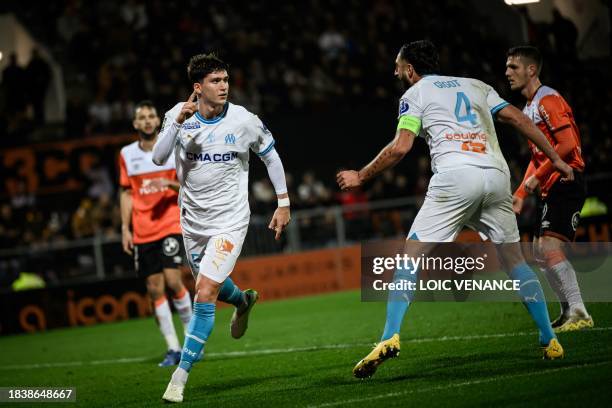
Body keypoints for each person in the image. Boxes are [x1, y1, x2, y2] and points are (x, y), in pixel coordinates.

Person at [336, 40, 574, 379]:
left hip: (454, 178)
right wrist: (554, 159)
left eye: (398, 66)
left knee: (409, 257)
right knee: (514, 261)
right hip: (495, 176)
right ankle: (549, 339)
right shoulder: (477, 85)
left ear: (410, 70)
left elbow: (401, 147)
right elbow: (519, 120)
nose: (395, 72)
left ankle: (389, 336)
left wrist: (361, 175)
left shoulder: (414, 95)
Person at [153, 53, 291, 403]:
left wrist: (284, 202)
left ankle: (179, 378)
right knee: (207, 283)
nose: (224, 86)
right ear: (198, 88)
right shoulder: (178, 116)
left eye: (226, 79)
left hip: (230, 220)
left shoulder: (244, 120)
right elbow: (158, 157)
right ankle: (243, 301)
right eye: (216, 81)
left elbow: (270, 155)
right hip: (193, 223)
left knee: (204, 292)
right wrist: (175, 123)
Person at [505, 45, 593, 332]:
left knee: (549, 247)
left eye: (513, 67)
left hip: (567, 180)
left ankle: (580, 311)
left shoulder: (548, 100)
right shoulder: (529, 107)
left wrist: (536, 177)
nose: (507, 72)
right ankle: (568, 311)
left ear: (532, 70)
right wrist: (520, 192)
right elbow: (538, 156)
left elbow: (567, 145)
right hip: (551, 184)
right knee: (539, 251)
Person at [119, 100, 193, 367]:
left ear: (157, 121)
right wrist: (125, 228)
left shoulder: (171, 146)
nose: (148, 120)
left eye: (152, 116)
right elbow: (126, 192)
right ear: (136, 124)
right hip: (143, 230)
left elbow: (187, 184)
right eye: (143, 117)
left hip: (170, 223)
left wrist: (169, 183)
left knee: (173, 280)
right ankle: (173, 348)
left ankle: (192, 341)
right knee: (153, 288)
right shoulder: (127, 154)